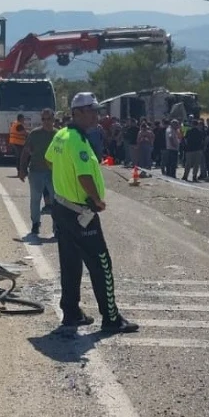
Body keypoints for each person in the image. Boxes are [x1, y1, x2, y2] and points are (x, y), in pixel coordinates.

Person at [45, 92, 138, 333]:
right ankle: (111, 317)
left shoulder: (61, 135)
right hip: (80, 211)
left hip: (62, 207)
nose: (96, 115)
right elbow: (84, 175)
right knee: (101, 264)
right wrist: (96, 199)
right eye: (91, 110)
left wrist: (63, 181)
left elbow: (48, 160)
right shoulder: (77, 140)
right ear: (77, 113)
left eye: (96, 110)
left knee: (70, 262)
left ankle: (71, 312)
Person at [19, 108, 57, 236]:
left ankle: (56, 227)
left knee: (56, 200)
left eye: (49, 119)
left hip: (53, 173)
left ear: (53, 119)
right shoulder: (35, 134)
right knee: (35, 199)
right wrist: (22, 169)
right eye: (43, 119)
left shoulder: (58, 135)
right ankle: (35, 224)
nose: (46, 121)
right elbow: (25, 152)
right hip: (36, 172)